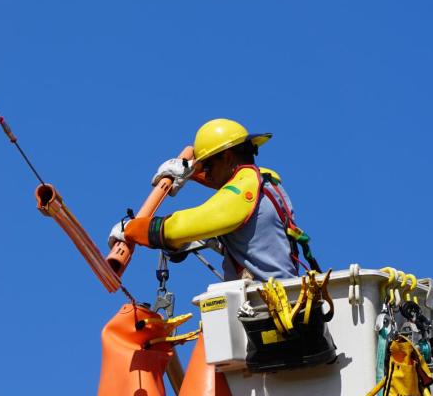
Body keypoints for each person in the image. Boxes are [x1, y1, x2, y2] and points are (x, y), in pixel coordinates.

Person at [110, 118, 318, 282]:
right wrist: (190, 172)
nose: (207, 175)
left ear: (227, 157)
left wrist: (132, 228)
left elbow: (180, 226)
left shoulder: (243, 191)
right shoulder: (266, 182)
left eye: (207, 167)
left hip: (265, 306)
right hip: (277, 301)